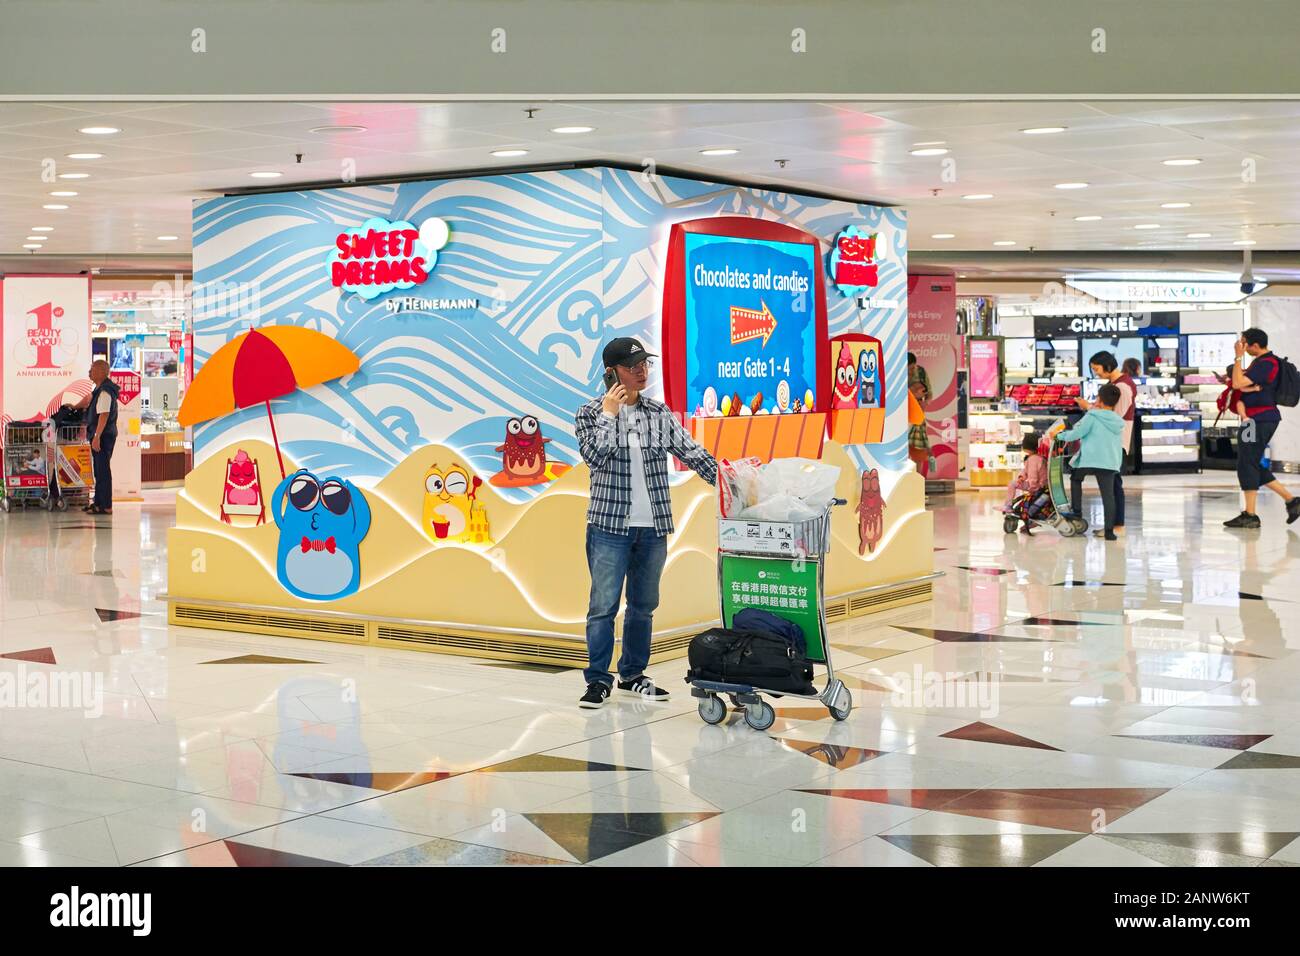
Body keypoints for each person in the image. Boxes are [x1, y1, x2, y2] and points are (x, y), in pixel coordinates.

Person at [574, 336, 718, 708]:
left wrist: (733, 484)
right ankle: (598, 679)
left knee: (644, 605)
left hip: (653, 526)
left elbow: (692, 452)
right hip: (609, 526)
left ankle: (633, 674)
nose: (641, 371)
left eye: (644, 364)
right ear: (611, 373)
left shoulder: (657, 412)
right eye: (632, 365)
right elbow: (594, 457)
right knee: (603, 607)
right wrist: (610, 414)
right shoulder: (589, 413)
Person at [1225, 328, 1300, 529]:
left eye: (1244, 344)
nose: (1242, 347)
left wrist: (1238, 358)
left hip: (1258, 419)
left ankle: (1250, 515)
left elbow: (1238, 382)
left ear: (1254, 345)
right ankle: (1291, 501)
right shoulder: (1261, 363)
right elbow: (1237, 384)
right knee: (1249, 461)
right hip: (1255, 419)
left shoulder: (1267, 363)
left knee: (1247, 462)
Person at [1077, 350, 1135, 534]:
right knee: (1112, 483)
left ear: (1108, 366)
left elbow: (1114, 418)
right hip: (1110, 441)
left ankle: (1117, 526)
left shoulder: (1123, 387)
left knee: (1114, 485)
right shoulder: (1115, 384)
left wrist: (1090, 409)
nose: (1096, 373)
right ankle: (1114, 524)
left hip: (1116, 442)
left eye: (1097, 369)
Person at [1058, 382, 1125, 541]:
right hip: (1110, 462)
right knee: (1108, 496)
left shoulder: (1092, 416)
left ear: (1100, 400)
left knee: (1076, 477)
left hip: (1090, 460)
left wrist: (1059, 436)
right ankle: (1109, 531)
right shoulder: (1117, 420)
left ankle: (1077, 512)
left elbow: (1076, 433)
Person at [72, 360, 119, 515]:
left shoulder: (105, 391)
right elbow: (87, 399)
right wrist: (74, 407)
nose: (89, 372)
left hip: (103, 436)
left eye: (91, 369)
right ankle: (98, 503)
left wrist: (97, 436)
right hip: (100, 435)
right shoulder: (98, 389)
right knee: (99, 470)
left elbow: (104, 415)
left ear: (100, 372)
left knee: (103, 471)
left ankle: (106, 506)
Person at [1004, 433, 1048, 523]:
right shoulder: (1037, 457)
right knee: (1015, 482)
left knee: (1012, 484)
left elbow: (1033, 476)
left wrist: (1032, 489)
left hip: (1037, 486)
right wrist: (1021, 477)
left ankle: (1008, 505)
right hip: (1042, 484)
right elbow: (1026, 471)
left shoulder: (1033, 459)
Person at [907, 353, 932, 476]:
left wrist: (925, 403)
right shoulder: (898, 373)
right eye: (909, 369)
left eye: (913, 368)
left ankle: (919, 482)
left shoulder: (921, 372)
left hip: (917, 414)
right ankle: (905, 481)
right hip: (902, 416)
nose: (911, 372)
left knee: (919, 449)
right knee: (903, 450)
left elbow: (929, 393)